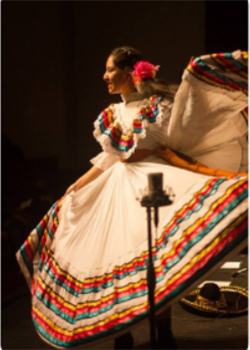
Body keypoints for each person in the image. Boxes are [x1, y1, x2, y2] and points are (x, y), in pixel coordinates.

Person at [16, 46, 248, 349]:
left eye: (110, 70)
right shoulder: (110, 115)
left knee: (154, 261)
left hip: (155, 183)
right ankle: (121, 334)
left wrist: (212, 173)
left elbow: (170, 148)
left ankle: (163, 331)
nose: (105, 76)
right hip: (116, 191)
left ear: (129, 73)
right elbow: (109, 158)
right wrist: (75, 187)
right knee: (112, 259)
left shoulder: (158, 106)